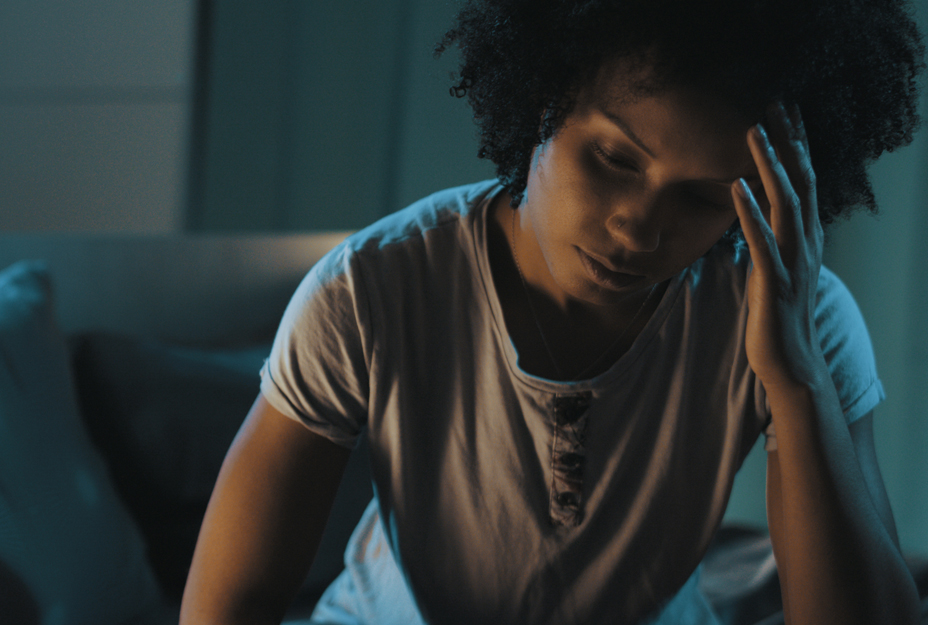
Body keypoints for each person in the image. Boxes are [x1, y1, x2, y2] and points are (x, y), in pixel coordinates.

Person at [180, 0, 926, 623]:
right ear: (544, 99)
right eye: (614, 159)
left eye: (701, 198)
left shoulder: (797, 316)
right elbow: (227, 601)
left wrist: (796, 381)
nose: (638, 226)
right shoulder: (368, 289)